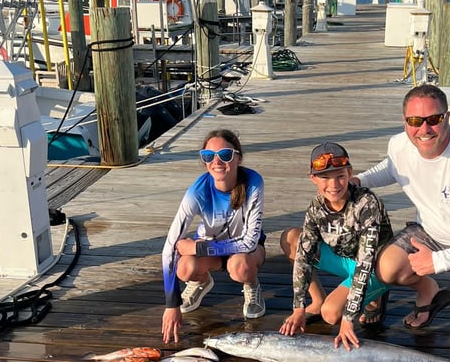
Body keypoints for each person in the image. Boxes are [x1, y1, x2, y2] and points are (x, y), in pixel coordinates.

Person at [355, 84, 450, 347]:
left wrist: (438, 262)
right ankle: (429, 291)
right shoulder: (398, 145)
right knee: (385, 269)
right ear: (404, 122)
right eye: (415, 121)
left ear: (447, 117)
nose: (424, 129)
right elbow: (392, 168)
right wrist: (358, 180)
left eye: (434, 120)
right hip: (428, 232)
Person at [279, 141, 393, 350]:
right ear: (313, 178)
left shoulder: (367, 203)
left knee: (331, 315)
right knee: (293, 237)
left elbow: (365, 261)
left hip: (373, 267)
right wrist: (298, 307)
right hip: (343, 259)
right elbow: (304, 255)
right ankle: (317, 299)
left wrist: (349, 317)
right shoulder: (316, 207)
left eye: (340, 176)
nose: (333, 185)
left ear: (350, 173)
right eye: (325, 177)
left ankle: (377, 294)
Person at [161, 128, 266, 345]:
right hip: (214, 248)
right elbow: (170, 246)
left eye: (224, 155)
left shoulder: (253, 182)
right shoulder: (196, 193)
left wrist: (198, 249)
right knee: (184, 268)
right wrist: (171, 305)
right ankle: (200, 282)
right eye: (208, 156)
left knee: (241, 268)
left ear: (238, 158)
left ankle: (252, 284)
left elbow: (249, 242)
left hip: (246, 252)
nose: (216, 162)